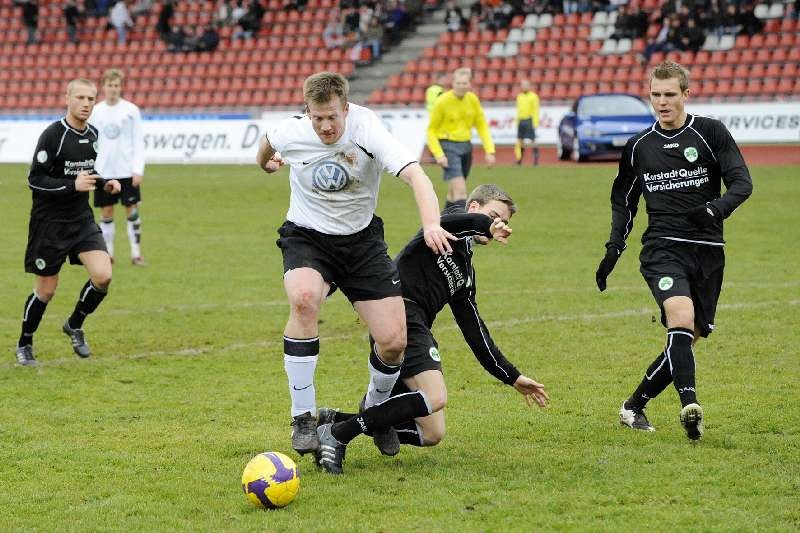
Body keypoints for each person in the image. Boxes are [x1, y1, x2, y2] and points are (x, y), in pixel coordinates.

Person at [255, 72, 454, 457]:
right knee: (303, 298)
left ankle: (375, 409)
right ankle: (303, 417)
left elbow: (416, 175)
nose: (326, 126)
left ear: (346, 109)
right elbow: (266, 145)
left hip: (361, 243)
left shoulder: (368, 130)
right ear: (306, 113)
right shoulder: (292, 132)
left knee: (394, 341)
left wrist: (432, 224)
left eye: (332, 117)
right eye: (318, 118)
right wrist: (267, 165)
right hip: (307, 237)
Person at [314, 184, 549, 474]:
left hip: (416, 325)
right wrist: (487, 225)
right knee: (436, 396)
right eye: (495, 215)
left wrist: (512, 377)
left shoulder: (465, 272)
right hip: (399, 313)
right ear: (474, 207)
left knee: (432, 433)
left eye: (504, 221)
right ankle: (339, 435)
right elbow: (454, 221)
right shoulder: (443, 227)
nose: (500, 224)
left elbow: (475, 333)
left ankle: (336, 421)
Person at [595, 61, 753, 440]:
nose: (661, 102)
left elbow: (742, 183)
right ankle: (690, 406)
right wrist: (614, 248)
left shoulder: (710, 132)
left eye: (669, 94)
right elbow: (624, 202)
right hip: (662, 249)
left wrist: (714, 209)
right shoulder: (639, 148)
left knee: (686, 339)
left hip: (709, 251)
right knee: (679, 317)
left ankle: (633, 406)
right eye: (655, 95)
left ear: (686, 94)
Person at [13, 79, 121, 366]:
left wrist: (105, 184)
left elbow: (86, 172)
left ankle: (74, 324)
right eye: (81, 98)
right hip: (49, 223)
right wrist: (73, 185)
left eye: (91, 99)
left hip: (81, 220)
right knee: (46, 290)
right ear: (68, 99)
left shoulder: (93, 134)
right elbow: (35, 179)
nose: (86, 104)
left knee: (103, 276)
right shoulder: (53, 135)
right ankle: (25, 342)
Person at [90, 69, 146, 266]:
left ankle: (136, 254)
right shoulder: (95, 111)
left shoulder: (131, 110)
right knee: (106, 212)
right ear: (103, 87)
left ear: (121, 87)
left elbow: (138, 141)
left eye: (116, 85)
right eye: (109, 85)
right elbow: (90, 140)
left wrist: (138, 169)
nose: (113, 89)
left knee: (132, 211)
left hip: (126, 171)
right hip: (104, 172)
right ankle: (109, 254)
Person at [427, 67, 495, 209]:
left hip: (466, 146)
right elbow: (431, 130)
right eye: (458, 83)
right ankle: (463, 227)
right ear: (452, 83)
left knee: (453, 193)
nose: (461, 86)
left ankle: (442, 224)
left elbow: (482, 125)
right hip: (448, 146)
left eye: (464, 83)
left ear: (470, 84)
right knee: (461, 191)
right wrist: (439, 154)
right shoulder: (442, 101)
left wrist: (489, 150)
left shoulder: (473, 100)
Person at [514, 79, 540, 166]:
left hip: (529, 120)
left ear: (529, 86)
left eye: (525, 85)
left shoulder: (533, 96)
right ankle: (519, 159)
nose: (524, 86)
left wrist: (535, 123)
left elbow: (535, 110)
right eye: (522, 85)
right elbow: (518, 110)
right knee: (520, 141)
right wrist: (517, 121)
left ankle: (536, 159)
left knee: (532, 140)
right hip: (521, 120)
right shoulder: (519, 96)